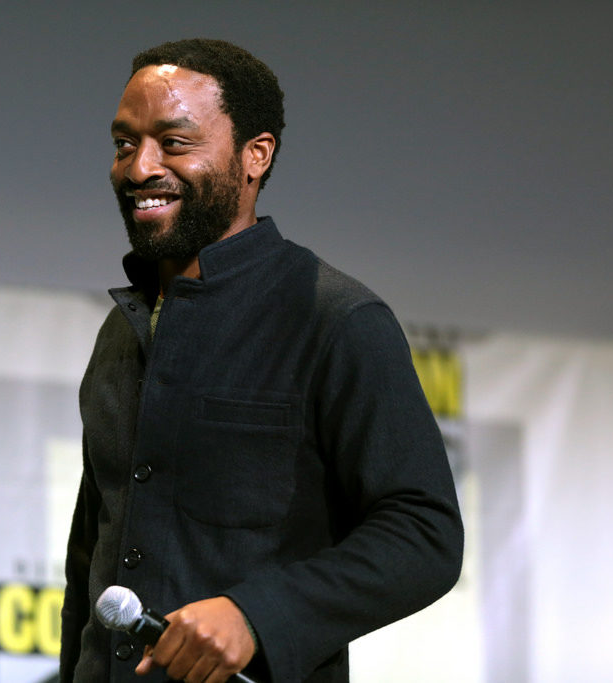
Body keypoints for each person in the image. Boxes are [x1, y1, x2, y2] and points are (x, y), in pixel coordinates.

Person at [60, 38, 463, 683]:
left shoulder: (335, 318)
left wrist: (255, 616)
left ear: (256, 155)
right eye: (124, 143)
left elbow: (424, 535)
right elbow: (92, 559)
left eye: (174, 142)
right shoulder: (122, 331)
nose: (139, 168)